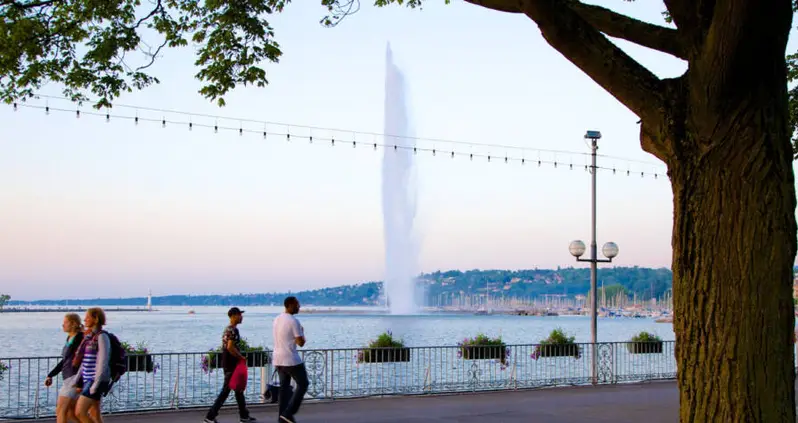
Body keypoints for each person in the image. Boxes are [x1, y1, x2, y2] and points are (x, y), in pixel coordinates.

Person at [203, 307, 256, 423]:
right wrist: (241, 357)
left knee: (238, 390)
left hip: (228, 363)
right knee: (226, 390)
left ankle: (244, 416)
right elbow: (230, 347)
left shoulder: (228, 329)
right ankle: (210, 417)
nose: (242, 317)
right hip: (231, 364)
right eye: (239, 315)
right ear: (233, 316)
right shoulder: (233, 330)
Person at [272, 297, 309, 423]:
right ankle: (288, 413)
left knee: (284, 388)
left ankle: (282, 417)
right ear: (290, 305)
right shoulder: (294, 321)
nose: (299, 307)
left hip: (277, 358)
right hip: (291, 359)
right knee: (303, 384)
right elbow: (301, 343)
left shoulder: (277, 319)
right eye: (297, 305)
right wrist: (302, 333)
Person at [73, 308, 111, 423]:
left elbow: (103, 362)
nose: (84, 320)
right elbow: (85, 361)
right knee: (95, 413)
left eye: (87, 317)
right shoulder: (89, 337)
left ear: (96, 319)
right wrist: (77, 379)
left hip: (94, 380)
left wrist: (96, 384)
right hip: (87, 379)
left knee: (80, 412)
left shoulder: (102, 337)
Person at [45, 313, 84, 423]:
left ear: (73, 324)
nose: (63, 325)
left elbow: (83, 361)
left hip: (74, 379)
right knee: (71, 412)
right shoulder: (70, 338)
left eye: (65, 322)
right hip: (68, 378)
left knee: (60, 410)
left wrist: (80, 383)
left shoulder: (79, 338)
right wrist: (51, 374)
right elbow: (65, 360)